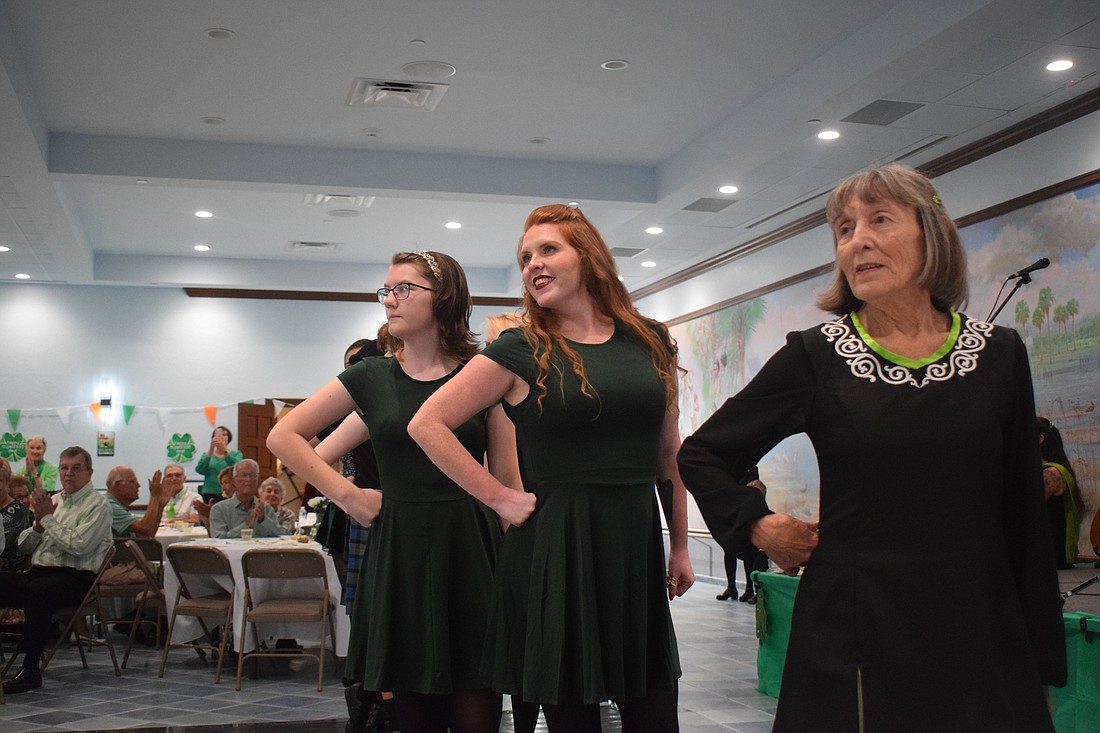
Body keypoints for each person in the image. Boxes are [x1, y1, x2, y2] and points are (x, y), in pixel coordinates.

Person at [677, 163, 1066, 732]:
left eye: (879, 219)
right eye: (843, 228)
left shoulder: (999, 354)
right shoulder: (817, 355)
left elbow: (1024, 517)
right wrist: (757, 525)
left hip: (979, 630)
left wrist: (1042, 665)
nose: (857, 239)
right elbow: (703, 453)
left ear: (930, 232)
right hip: (854, 630)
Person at [409, 205, 695, 733]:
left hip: (633, 543)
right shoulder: (519, 348)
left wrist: (680, 544)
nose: (533, 265)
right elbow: (427, 425)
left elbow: (669, 456)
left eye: (548, 250)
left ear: (588, 255)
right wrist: (499, 497)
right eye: (524, 257)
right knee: (571, 716)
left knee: (655, 712)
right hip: (554, 550)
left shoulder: (649, 338)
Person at [268, 250, 520, 733]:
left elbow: (507, 479)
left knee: (479, 707)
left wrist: (525, 566)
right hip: (399, 553)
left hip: (472, 550)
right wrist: (349, 495)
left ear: (443, 297)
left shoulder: (482, 373)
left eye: (404, 288)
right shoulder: (372, 377)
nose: (390, 299)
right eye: (387, 290)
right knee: (414, 713)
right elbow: (284, 438)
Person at [0, 446, 112, 694]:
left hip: (76, 579)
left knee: (38, 591)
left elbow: (79, 547)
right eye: (64, 467)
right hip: (40, 574)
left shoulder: (99, 505)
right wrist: (38, 526)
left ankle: (30, 670)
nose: (68, 474)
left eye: (76, 468)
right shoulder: (55, 500)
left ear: (90, 472)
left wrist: (48, 520)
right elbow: (25, 547)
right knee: (18, 584)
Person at [715, 469, 768, 604]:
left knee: (748, 553)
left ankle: (749, 588)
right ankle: (731, 587)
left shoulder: (749, 469)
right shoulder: (728, 468)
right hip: (733, 511)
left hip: (745, 510)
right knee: (729, 550)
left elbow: (754, 488)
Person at [1038, 416, 1083, 569]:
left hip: (1052, 553)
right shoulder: (1055, 469)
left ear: (1040, 439)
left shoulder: (1051, 473)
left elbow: (1027, 508)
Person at [208, 460, 288, 539]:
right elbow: (218, 539)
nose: (248, 480)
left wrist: (264, 520)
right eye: (244, 475)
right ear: (234, 481)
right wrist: (247, 525)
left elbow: (283, 537)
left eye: (252, 475)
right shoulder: (219, 509)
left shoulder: (266, 509)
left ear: (257, 480)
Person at [105, 466, 167, 538]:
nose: (138, 485)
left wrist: (160, 506)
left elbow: (148, 535)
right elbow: (145, 528)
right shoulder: (109, 505)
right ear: (118, 485)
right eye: (132, 481)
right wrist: (154, 496)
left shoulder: (119, 506)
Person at [0, 457, 33, 571]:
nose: (25, 500)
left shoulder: (18, 512)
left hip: (9, 576)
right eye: (20, 497)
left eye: (0, 481)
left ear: (7, 482)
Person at [195, 426, 243, 500]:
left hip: (230, 492)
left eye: (224, 435)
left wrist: (224, 451)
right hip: (209, 492)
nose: (221, 437)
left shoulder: (236, 454)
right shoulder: (207, 455)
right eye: (217, 435)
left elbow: (237, 468)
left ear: (228, 438)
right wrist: (211, 449)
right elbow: (200, 469)